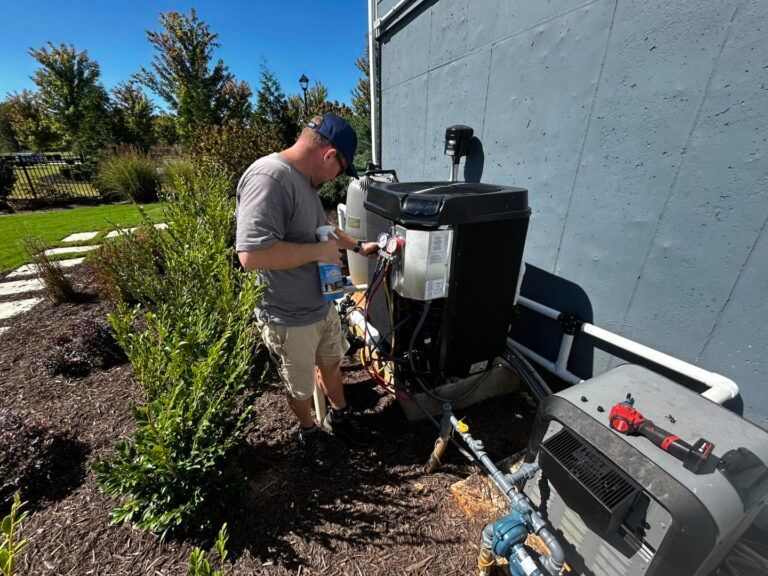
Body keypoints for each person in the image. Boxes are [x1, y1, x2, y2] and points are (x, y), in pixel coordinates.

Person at [235, 113, 379, 472]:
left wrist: (359, 246)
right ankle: (308, 431)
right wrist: (318, 254)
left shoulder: (303, 182)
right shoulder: (270, 177)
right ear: (329, 155)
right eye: (340, 171)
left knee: (331, 364)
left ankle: (339, 417)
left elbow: (322, 232)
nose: (335, 179)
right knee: (298, 386)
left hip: (320, 305)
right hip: (288, 314)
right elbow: (251, 255)